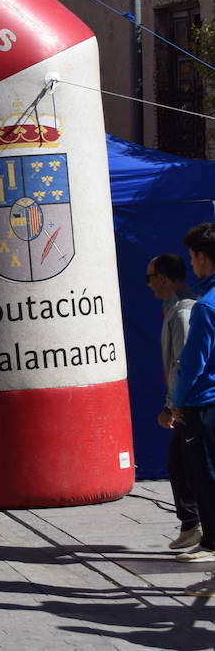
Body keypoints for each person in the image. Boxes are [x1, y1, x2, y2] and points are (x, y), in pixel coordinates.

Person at [147, 253, 201, 551]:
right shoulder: (175, 309)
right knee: (181, 463)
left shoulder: (183, 312)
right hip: (187, 401)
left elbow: (182, 363)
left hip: (191, 403)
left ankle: (197, 527)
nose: (149, 284)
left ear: (163, 279)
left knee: (190, 466)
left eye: (150, 277)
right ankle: (192, 524)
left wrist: (171, 406)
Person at [172, 225, 215, 590]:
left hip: (205, 405)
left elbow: (193, 363)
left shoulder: (206, 307)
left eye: (192, 257)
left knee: (208, 482)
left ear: (202, 257)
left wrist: (177, 403)